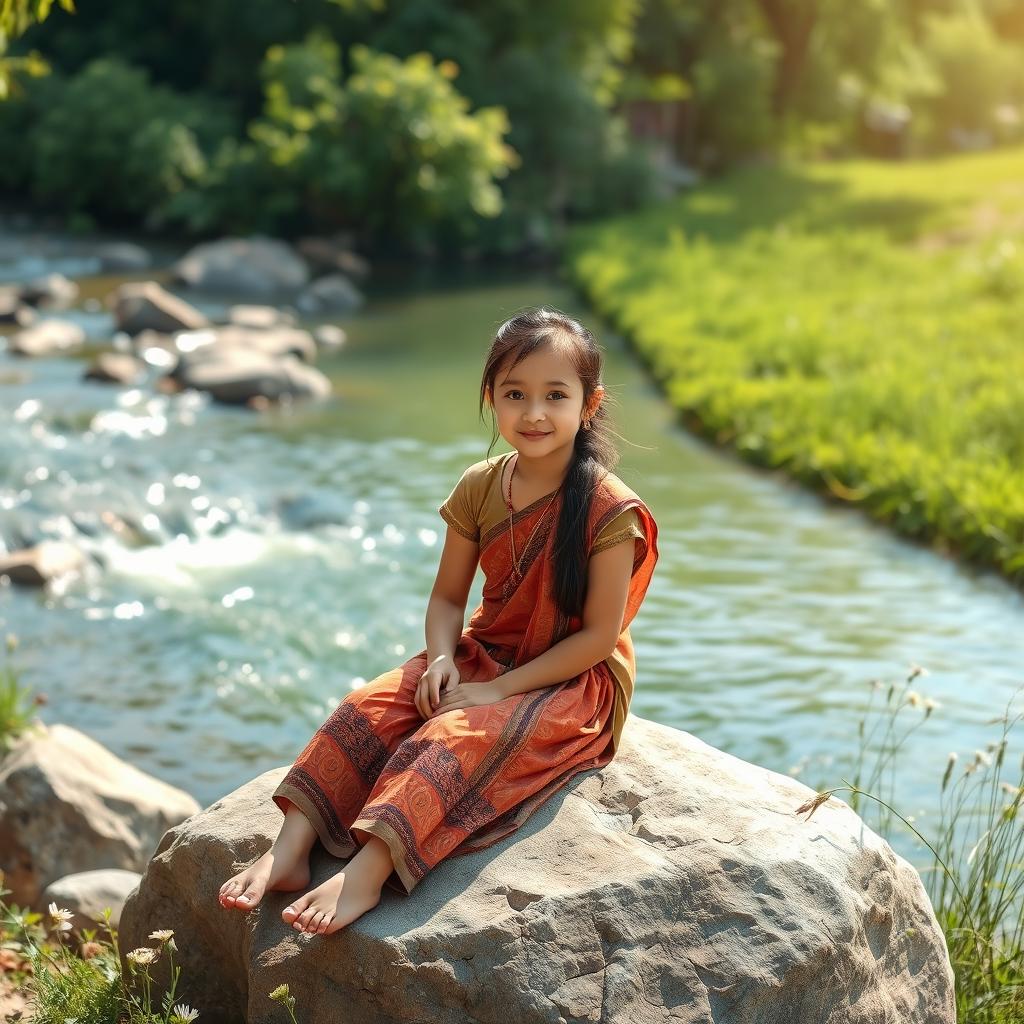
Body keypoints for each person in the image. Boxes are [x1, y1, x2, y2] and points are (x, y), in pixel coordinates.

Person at [218, 305, 659, 936]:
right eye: (515, 394)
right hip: (484, 652)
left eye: (555, 395)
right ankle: (288, 852)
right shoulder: (481, 485)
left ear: (590, 403)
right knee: (368, 706)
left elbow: (596, 637)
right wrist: (445, 658)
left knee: (447, 738)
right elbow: (449, 599)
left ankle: (367, 873)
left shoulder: (611, 511)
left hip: (572, 681)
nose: (534, 413)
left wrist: (495, 692)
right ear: (490, 397)